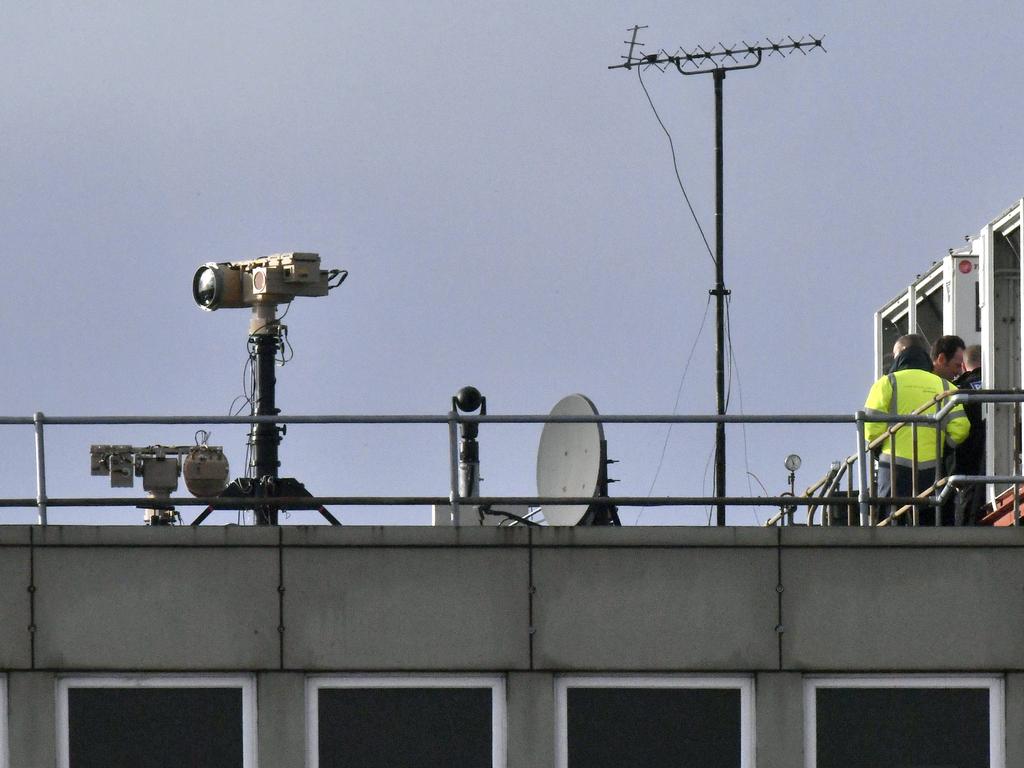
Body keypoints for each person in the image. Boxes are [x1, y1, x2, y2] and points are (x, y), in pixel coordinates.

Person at [864, 334, 970, 525]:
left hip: (893, 468)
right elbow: (961, 428)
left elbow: (871, 428)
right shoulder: (945, 386)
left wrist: (881, 448)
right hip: (932, 469)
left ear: (902, 354)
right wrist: (944, 446)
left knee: (889, 524)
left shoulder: (887, 383)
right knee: (930, 522)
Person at [947, 344, 985, 525]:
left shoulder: (957, 390)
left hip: (967, 464)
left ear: (963, 365)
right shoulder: (1003, 380)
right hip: (1005, 467)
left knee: (968, 516)